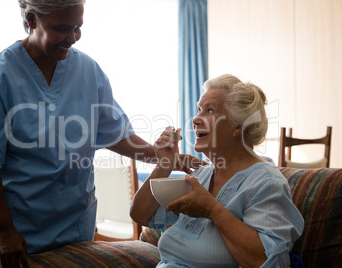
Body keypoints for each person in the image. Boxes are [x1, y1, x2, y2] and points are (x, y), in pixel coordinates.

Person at [0, 1, 204, 267]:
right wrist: (4, 230)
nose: (73, 37)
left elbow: (117, 135)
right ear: (31, 20)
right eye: (63, 28)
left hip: (74, 230)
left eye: (78, 27)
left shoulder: (89, 71)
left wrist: (164, 158)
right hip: (14, 232)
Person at [130, 74, 305, 267]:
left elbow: (268, 261)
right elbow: (141, 215)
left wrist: (212, 209)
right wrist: (164, 165)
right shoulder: (202, 175)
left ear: (238, 125)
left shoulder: (266, 183)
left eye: (209, 110)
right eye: (198, 110)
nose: (196, 119)